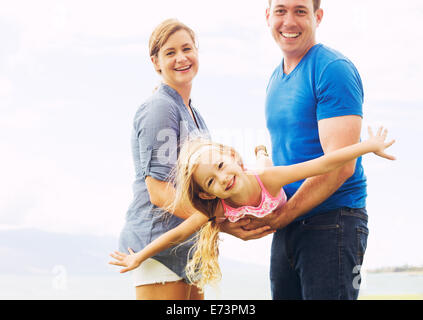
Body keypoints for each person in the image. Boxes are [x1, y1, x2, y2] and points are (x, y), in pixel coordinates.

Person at [110, 127, 395, 292]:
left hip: (268, 188)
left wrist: (366, 146)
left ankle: (260, 152)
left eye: (221, 166)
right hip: (257, 196)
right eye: (211, 181)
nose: (222, 178)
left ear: (233, 156)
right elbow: (178, 232)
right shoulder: (217, 207)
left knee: (265, 165)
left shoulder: (268, 180)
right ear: (207, 192)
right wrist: (139, 258)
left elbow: (319, 165)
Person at [221, 0, 374, 300]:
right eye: (280, 11)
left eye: (300, 11)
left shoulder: (332, 69)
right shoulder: (274, 79)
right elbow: (284, 159)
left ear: (318, 16)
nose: (289, 21)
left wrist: (282, 216)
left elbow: (342, 165)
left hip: (334, 222)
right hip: (289, 224)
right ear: (268, 16)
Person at [116, 18, 213, 300]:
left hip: (188, 252)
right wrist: (216, 219)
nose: (181, 58)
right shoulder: (160, 107)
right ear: (156, 62)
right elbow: (159, 192)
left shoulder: (194, 114)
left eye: (187, 49)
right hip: (158, 248)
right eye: (170, 53)